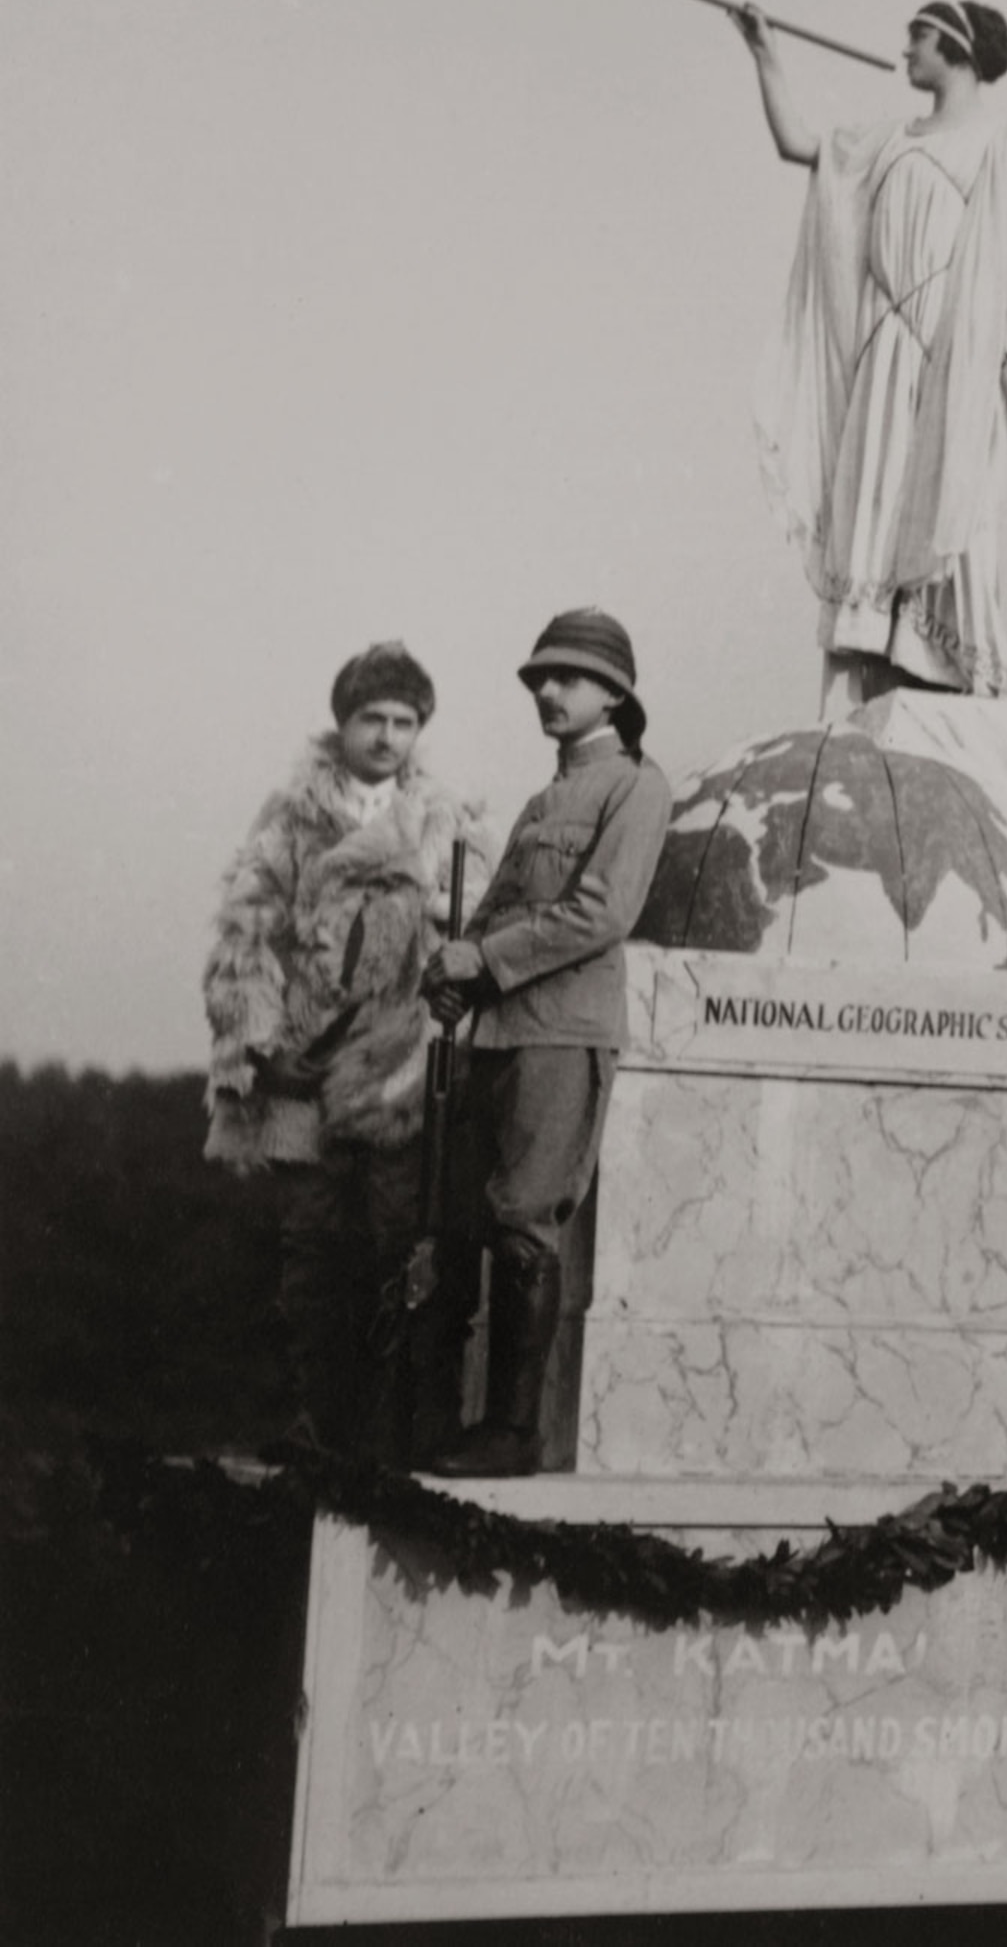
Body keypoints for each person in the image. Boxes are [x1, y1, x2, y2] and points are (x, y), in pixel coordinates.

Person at [203, 644, 492, 1459]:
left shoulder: (444, 820)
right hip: (306, 1063)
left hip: (400, 1070)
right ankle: (318, 1424)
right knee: (311, 1252)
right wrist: (260, 1047)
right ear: (344, 722)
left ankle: (392, 1429)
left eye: (404, 721)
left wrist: (450, 994)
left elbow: (473, 928)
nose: (388, 736)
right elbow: (246, 929)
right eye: (373, 718)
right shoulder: (293, 814)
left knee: (399, 1244)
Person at [741, 0, 1007, 718]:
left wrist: (960, 365)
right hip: (884, 363)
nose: (907, 49)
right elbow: (798, 143)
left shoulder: (995, 139)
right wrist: (764, 51)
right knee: (873, 525)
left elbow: (997, 271)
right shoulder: (887, 139)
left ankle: (940, 681)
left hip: (948, 362)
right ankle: (877, 687)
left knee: (943, 518)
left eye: (918, 36)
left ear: (955, 46)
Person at [418, 612, 675, 1473]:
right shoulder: (541, 802)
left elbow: (601, 912)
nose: (548, 692)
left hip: (562, 1036)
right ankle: (439, 1418)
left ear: (614, 693)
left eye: (567, 677)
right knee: (463, 1223)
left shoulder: (635, 787)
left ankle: (513, 1432)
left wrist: (483, 960)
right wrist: (451, 972)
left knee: (524, 1222)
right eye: (539, 679)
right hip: (498, 1036)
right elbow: (497, 907)